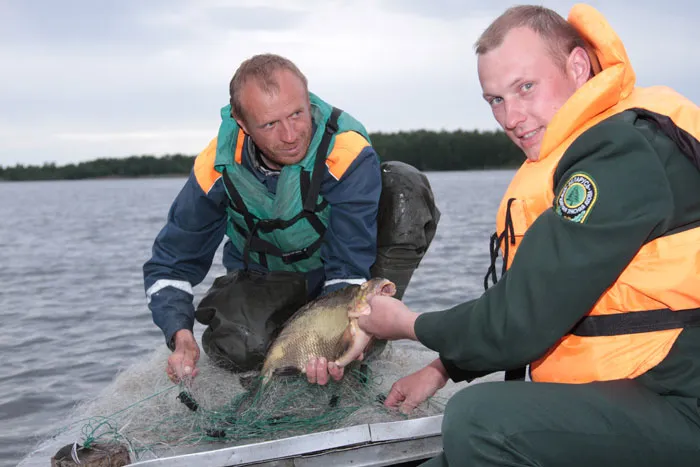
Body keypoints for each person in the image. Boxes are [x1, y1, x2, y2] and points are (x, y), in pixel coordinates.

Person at [354, 4, 700, 466]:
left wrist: (404, 323)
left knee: (478, 419)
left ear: (578, 66)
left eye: (525, 88)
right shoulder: (601, 143)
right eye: (495, 100)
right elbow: (552, 299)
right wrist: (444, 367)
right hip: (641, 384)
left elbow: (521, 319)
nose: (511, 117)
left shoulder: (622, 155)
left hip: (681, 400)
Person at [143, 54, 440, 387]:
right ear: (243, 124)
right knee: (234, 349)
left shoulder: (346, 150)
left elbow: (348, 264)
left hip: (340, 277)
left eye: (297, 114)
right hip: (268, 279)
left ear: (307, 98)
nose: (290, 135)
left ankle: (367, 338)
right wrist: (180, 335)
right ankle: (277, 347)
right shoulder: (215, 167)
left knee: (404, 185)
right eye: (270, 124)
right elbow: (170, 266)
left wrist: (335, 338)